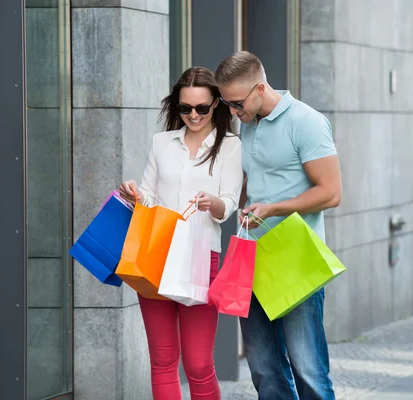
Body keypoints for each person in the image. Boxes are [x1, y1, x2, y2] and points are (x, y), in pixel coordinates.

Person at [214, 51, 342, 400]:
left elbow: (331, 193)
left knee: (308, 369)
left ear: (260, 87)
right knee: (263, 369)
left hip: (296, 261)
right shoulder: (248, 122)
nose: (232, 111)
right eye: (227, 103)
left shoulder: (306, 122)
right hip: (251, 259)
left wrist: (274, 209)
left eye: (237, 102)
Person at [118, 66, 243, 400]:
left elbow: (230, 203)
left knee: (199, 363)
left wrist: (213, 203)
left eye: (202, 107)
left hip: (201, 259)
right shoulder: (162, 142)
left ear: (216, 104)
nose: (193, 115)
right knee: (162, 359)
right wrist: (135, 194)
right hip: (156, 255)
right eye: (185, 107)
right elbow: (149, 195)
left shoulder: (230, 145)